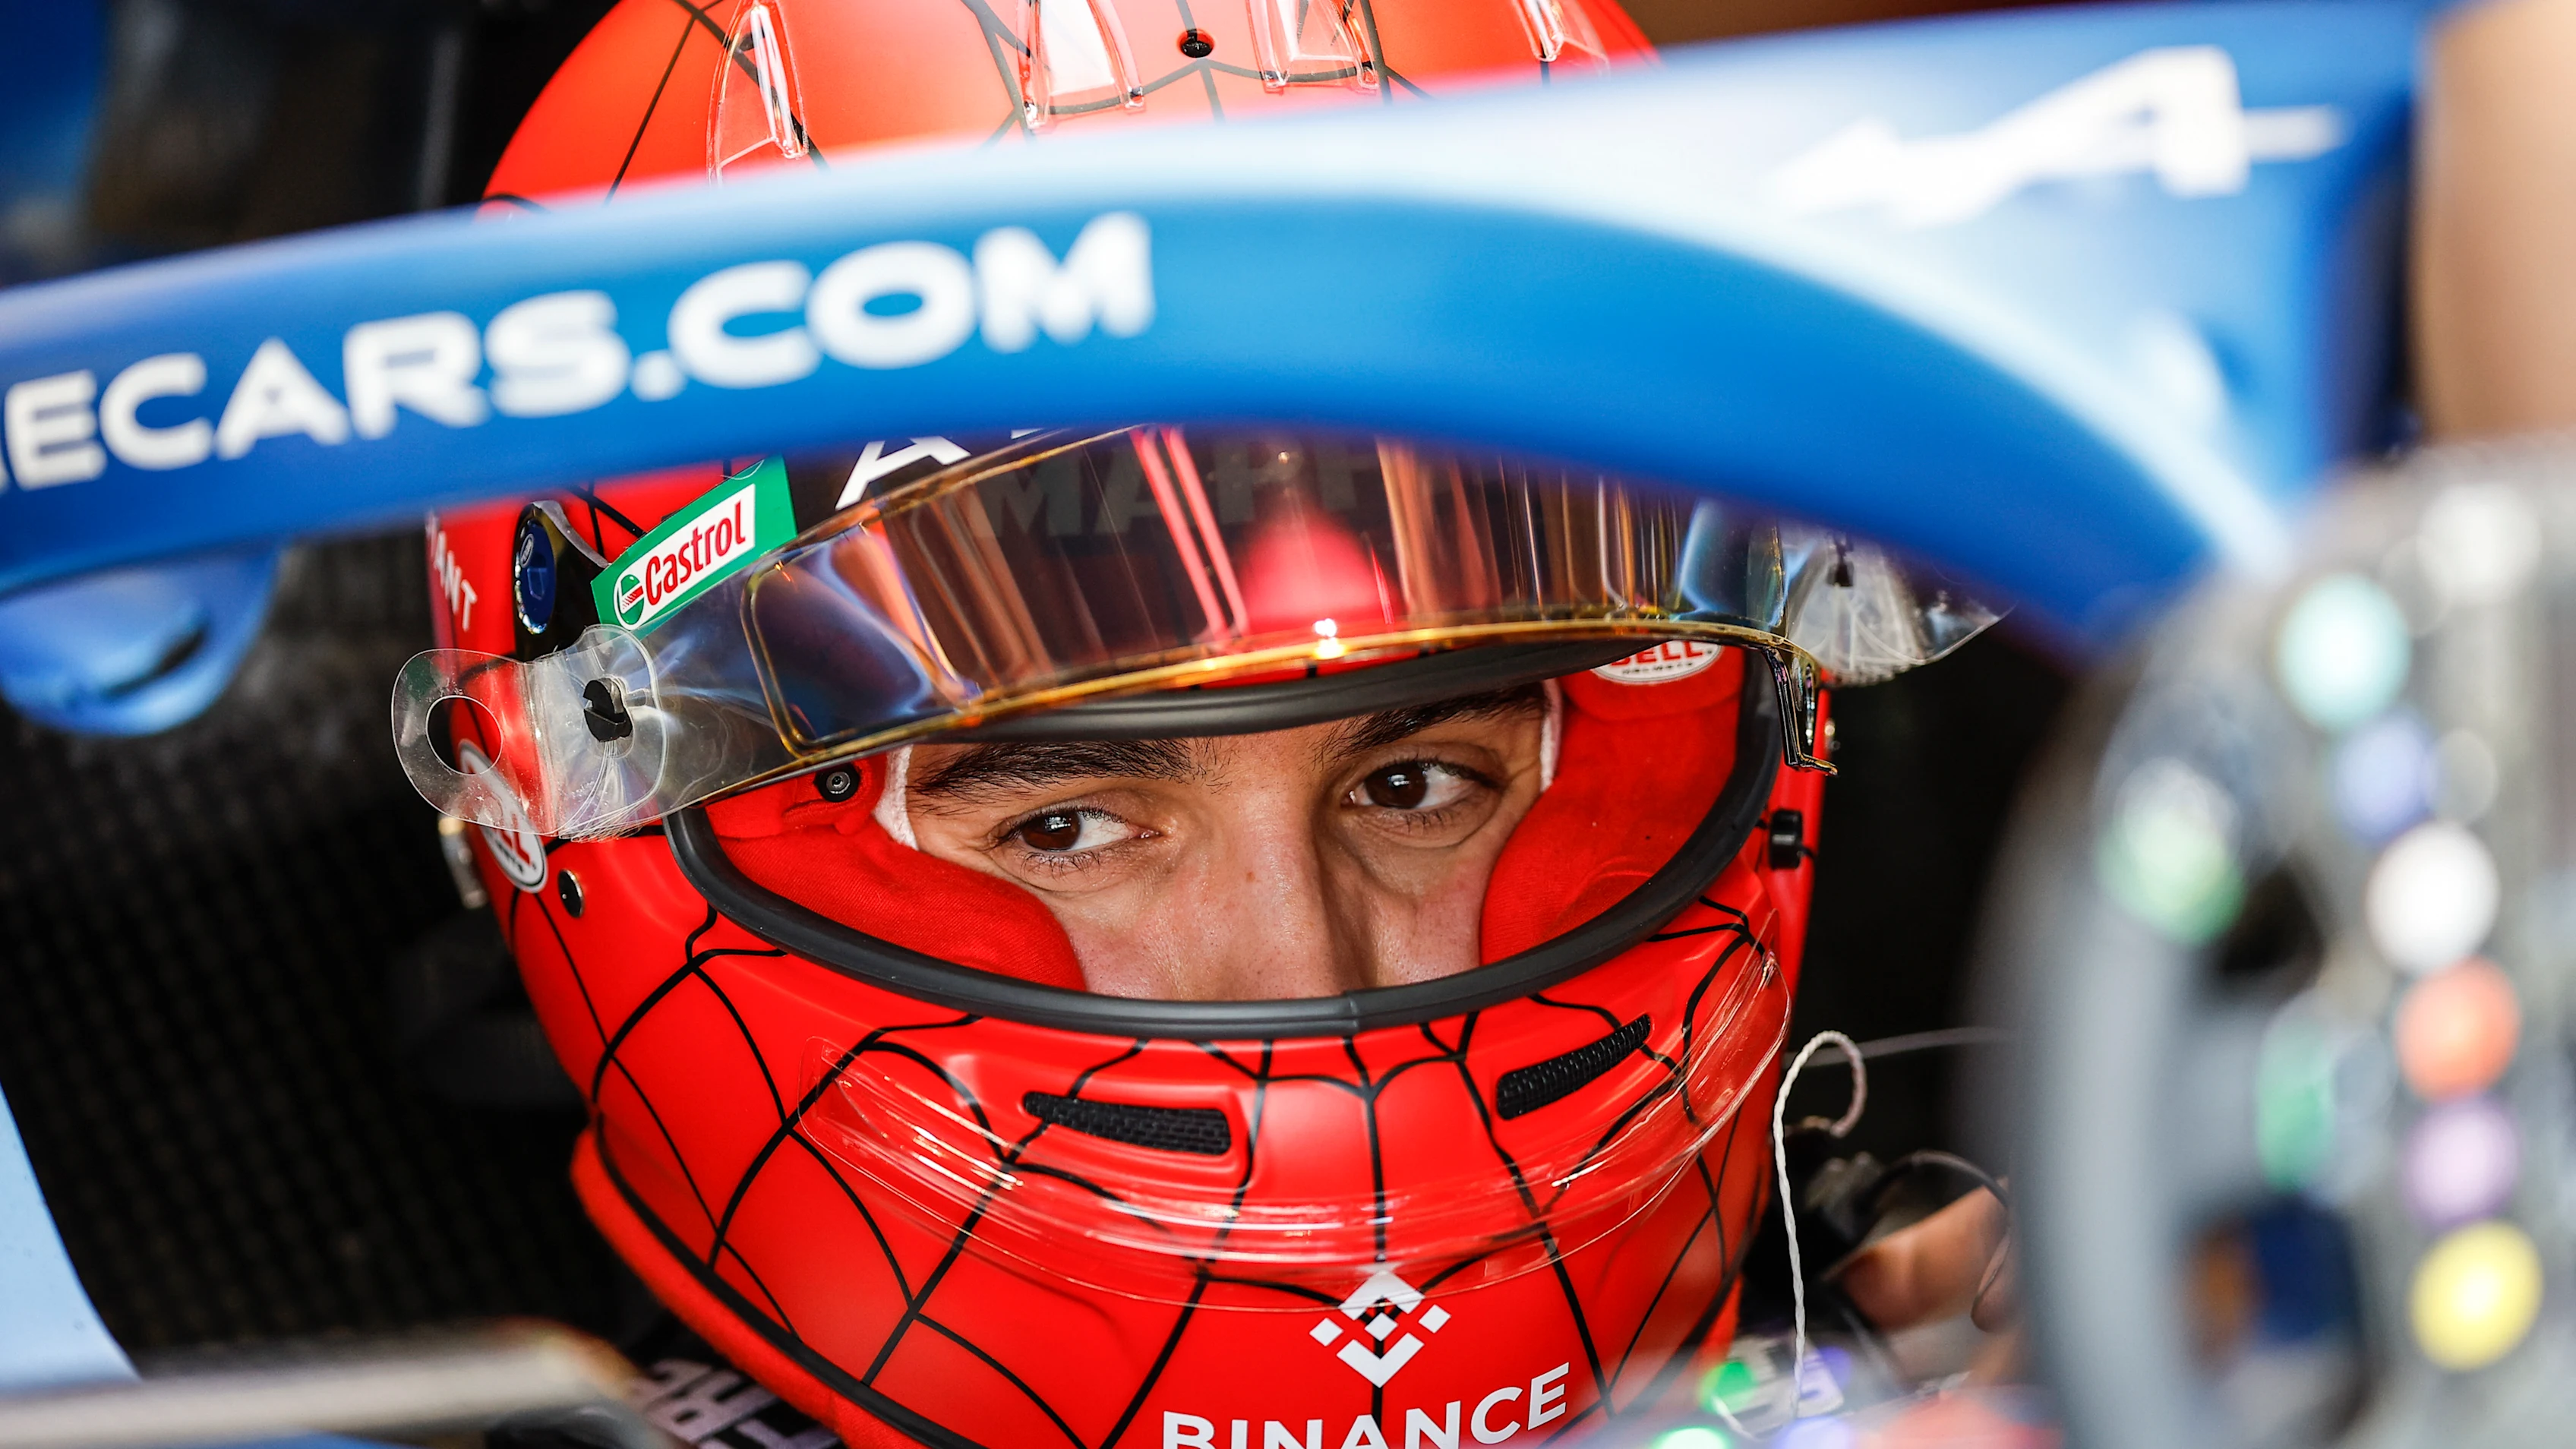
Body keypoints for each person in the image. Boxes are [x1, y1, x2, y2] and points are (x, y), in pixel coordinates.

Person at [402, 4, 2003, 1444]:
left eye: (1417, 781)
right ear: (550, 798)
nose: (1306, 978)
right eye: (1066, 826)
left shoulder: (1995, 1346)